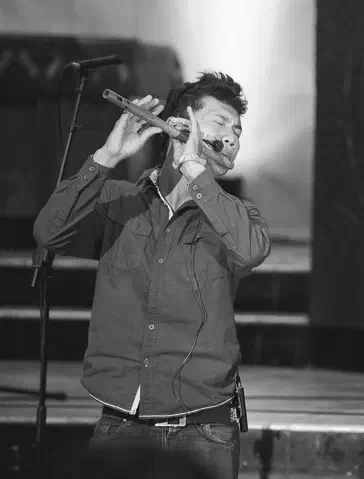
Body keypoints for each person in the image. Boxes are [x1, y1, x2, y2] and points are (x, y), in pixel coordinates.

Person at [34, 71, 271, 479]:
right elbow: (49, 232)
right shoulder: (118, 201)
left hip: (205, 429)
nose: (232, 138)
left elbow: (250, 251)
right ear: (181, 123)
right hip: (120, 423)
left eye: (237, 131)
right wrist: (108, 155)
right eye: (220, 123)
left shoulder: (237, 215)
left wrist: (195, 169)